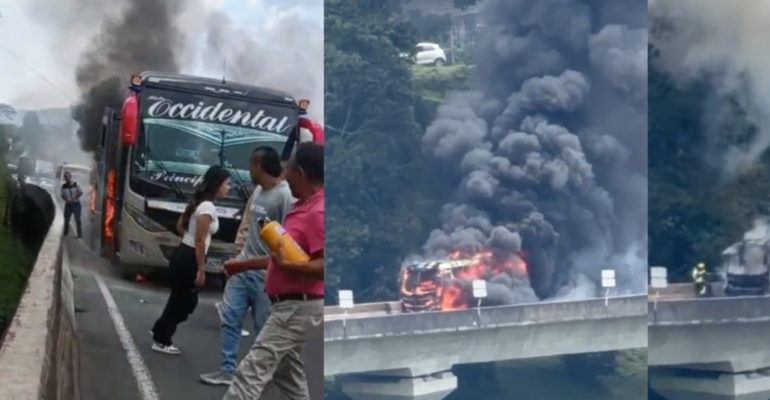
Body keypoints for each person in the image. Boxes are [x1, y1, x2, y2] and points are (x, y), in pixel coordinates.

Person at [222, 142, 324, 400]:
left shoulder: (318, 212)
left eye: (288, 167)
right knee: (287, 375)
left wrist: (289, 266)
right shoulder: (303, 206)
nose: (283, 173)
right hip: (286, 306)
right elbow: (281, 257)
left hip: (296, 308)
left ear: (299, 172)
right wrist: (242, 265)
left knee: (250, 374)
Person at [200, 147, 294, 386]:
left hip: (266, 274)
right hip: (242, 266)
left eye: (251, 166)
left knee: (264, 329)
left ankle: (268, 374)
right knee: (230, 317)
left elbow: (289, 240)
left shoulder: (284, 195)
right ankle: (227, 368)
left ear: (258, 167)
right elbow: (249, 225)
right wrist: (239, 254)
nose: (248, 171)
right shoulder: (258, 192)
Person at [151, 165, 230, 355]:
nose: (229, 187)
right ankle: (162, 339)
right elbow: (200, 240)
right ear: (217, 184)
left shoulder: (199, 203)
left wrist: (188, 241)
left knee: (179, 299)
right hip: (190, 256)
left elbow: (180, 226)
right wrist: (201, 269)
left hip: (184, 252)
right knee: (184, 302)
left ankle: (160, 330)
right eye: (227, 184)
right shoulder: (207, 207)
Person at [60, 171, 84, 238]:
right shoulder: (63, 186)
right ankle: (65, 233)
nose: (67, 178)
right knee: (66, 219)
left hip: (76, 204)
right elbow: (62, 195)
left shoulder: (76, 184)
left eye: (68, 176)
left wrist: (74, 198)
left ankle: (79, 234)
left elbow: (81, 192)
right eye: (65, 177)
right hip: (68, 205)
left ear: (70, 177)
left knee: (77, 219)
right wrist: (67, 200)